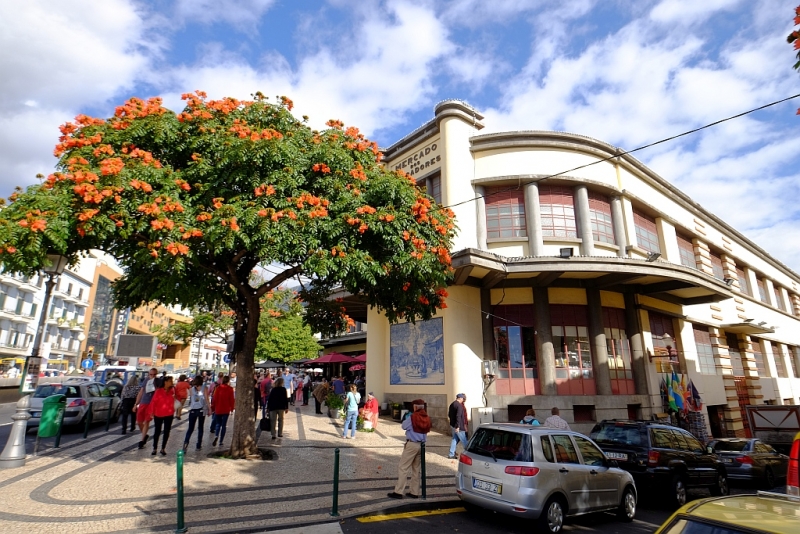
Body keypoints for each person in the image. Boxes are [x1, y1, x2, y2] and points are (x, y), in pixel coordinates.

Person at [387, 399, 431, 499]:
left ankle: (398, 492)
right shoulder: (427, 417)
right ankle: (414, 492)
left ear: (415, 407)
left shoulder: (413, 417)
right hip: (421, 445)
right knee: (416, 469)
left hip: (412, 444)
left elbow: (403, 426)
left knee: (403, 467)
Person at [183, 376, 211, 451]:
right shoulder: (204, 388)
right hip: (201, 410)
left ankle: (185, 445)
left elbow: (190, 399)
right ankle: (198, 445)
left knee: (190, 429)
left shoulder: (191, 389)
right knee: (200, 428)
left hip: (193, 410)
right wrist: (209, 409)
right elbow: (207, 399)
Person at [133, 368, 159, 449]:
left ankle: (142, 440)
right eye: (151, 374)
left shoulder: (158, 381)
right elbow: (141, 392)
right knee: (139, 421)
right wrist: (136, 404)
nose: (152, 376)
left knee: (147, 421)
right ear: (148, 374)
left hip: (151, 404)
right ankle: (145, 435)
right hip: (143, 402)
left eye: (154, 374)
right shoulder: (146, 380)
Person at [150, 376, 177, 456]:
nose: (171, 382)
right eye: (170, 381)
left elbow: (177, 398)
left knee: (166, 431)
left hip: (169, 413)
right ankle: (155, 448)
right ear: (165, 382)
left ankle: (163, 448)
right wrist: (152, 412)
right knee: (157, 431)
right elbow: (153, 402)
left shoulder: (172, 390)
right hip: (159, 413)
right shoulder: (158, 391)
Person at [210, 375, 235, 447]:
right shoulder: (230, 389)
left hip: (218, 409)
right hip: (226, 409)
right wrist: (232, 408)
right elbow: (232, 399)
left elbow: (214, 399)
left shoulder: (218, 388)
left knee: (218, 424)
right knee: (224, 425)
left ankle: (216, 436)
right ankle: (221, 441)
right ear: (228, 381)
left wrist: (213, 408)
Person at [447, 393, 468, 459]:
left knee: (455, 439)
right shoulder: (459, 406)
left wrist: (453, 424)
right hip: (459, 427)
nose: (463, 400)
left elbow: (449, 415)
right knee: (464, 441)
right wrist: (458, 426)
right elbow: (458, 416)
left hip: (453, 425)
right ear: (460, 398)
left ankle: (451, 454)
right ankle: (470, 454)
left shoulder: (452, 404)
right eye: (463, 399)